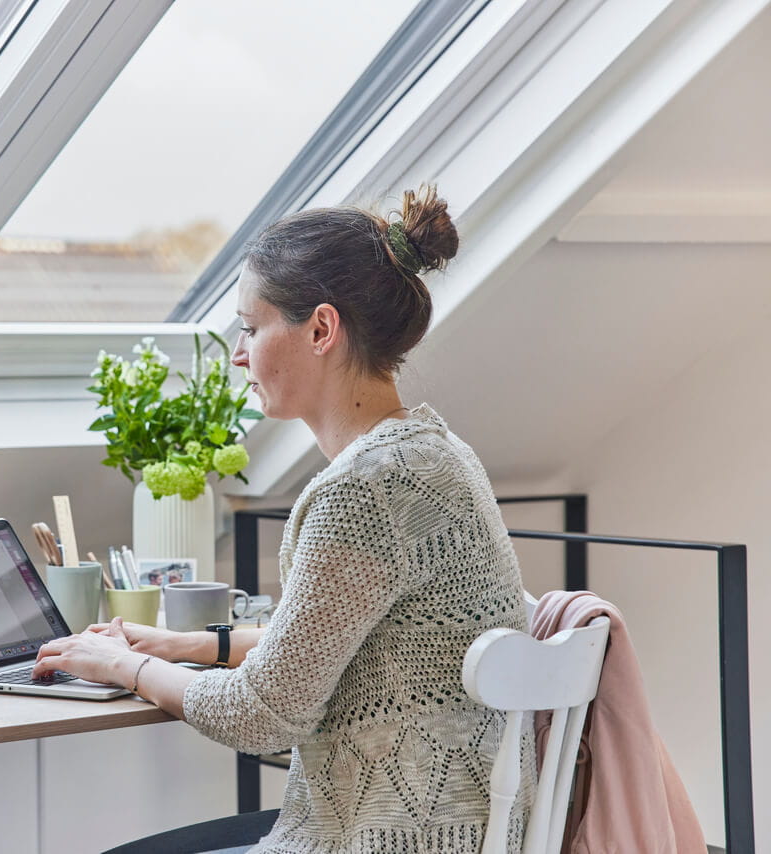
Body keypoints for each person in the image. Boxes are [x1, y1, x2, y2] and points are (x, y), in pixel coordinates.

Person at [33, 186, 533, 852]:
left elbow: (260, 717)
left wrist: (120, 667)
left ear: (321, 330)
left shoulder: (363, 492)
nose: (239, 355)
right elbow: (355, 644)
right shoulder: (435, 454)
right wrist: (193, 646)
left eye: (250, 326)